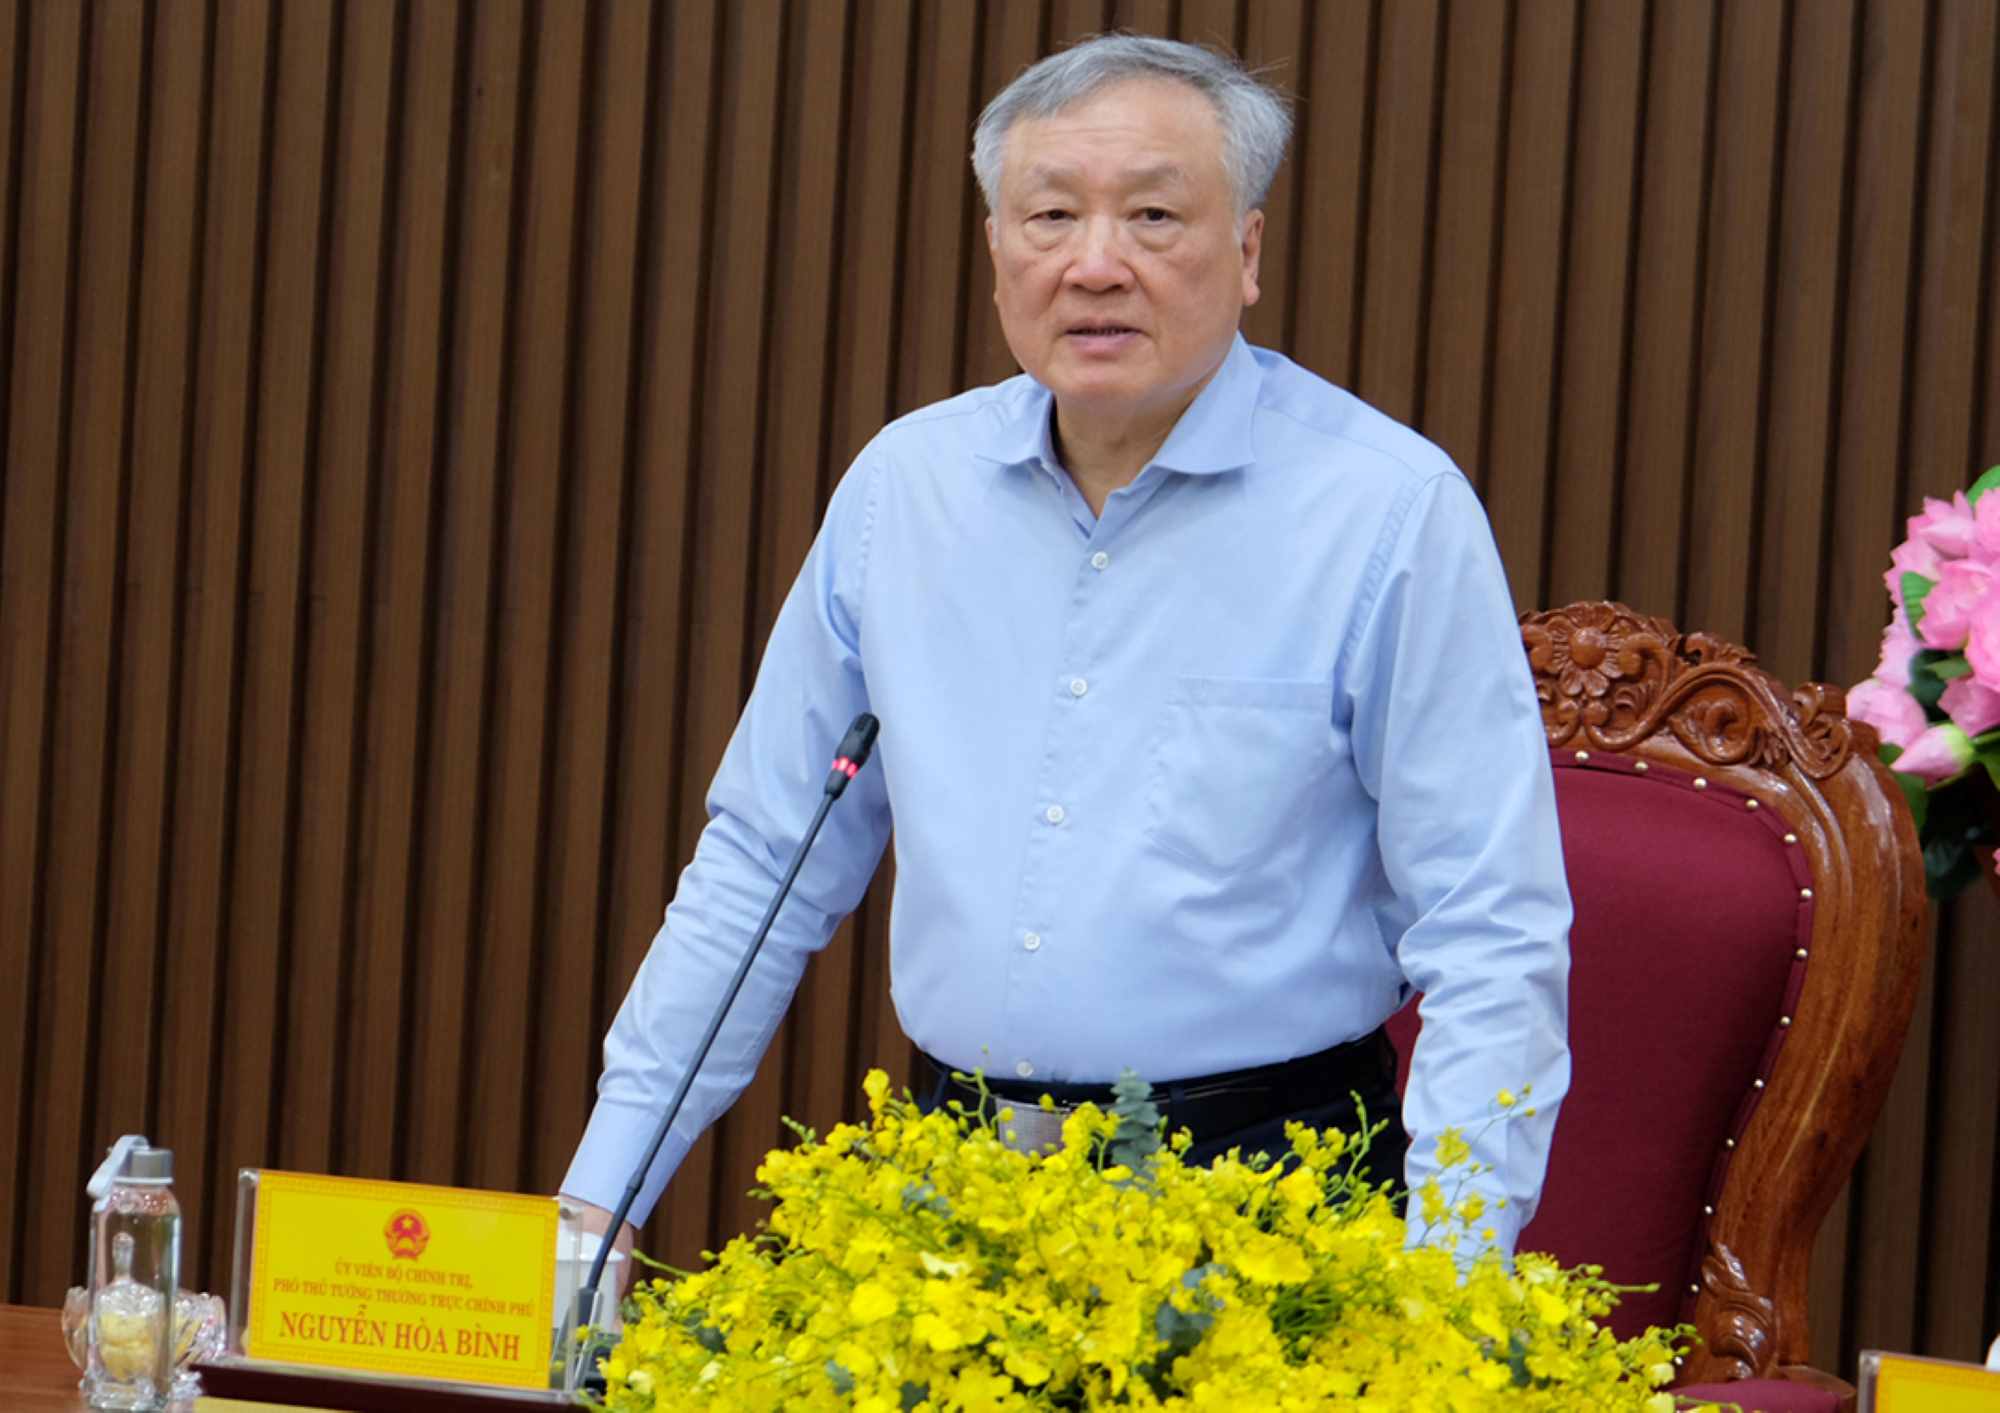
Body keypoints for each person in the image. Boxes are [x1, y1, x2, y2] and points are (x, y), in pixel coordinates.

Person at [561, 33, 1570, 1264]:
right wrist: (597, 1205)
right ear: (996, 252)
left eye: (1152, 215)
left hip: (1270, 1202)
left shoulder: (1385, 511)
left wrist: (1448, 1287)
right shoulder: (904, 490)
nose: (1095, 264)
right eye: (1049, 216)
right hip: (951, 1192)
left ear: (1246, 251)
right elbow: (763, 862)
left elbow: (1490, 933)